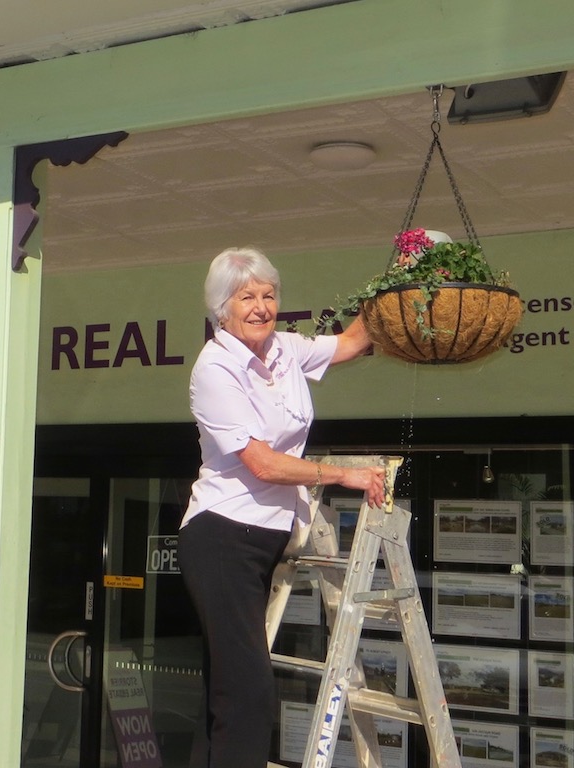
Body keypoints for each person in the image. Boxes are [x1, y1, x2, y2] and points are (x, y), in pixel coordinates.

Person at [178, 247, 386, 768]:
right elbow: (263, 465)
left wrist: (402, 279)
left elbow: (353, 341)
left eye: (269, 295)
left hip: (264, 537)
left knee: (227, 689)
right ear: (221, 308)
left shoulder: (285, 350)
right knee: (247, 694)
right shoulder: (215, 368)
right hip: (223, 536)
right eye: (246, 296)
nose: (260, 306)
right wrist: (344, 476)